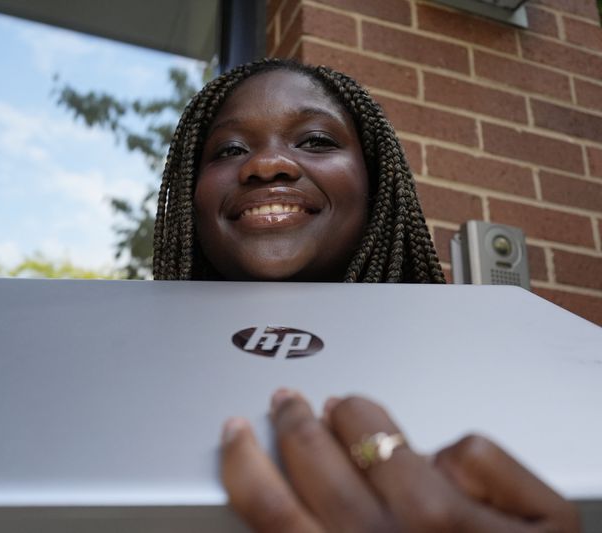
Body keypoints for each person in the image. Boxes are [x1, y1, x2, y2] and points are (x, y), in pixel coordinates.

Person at [152, 58, 580, 531]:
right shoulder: (132, 371)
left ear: (375, 185)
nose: (265, 164)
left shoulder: (488, 359)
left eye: (316, 141)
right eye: (230, 149)